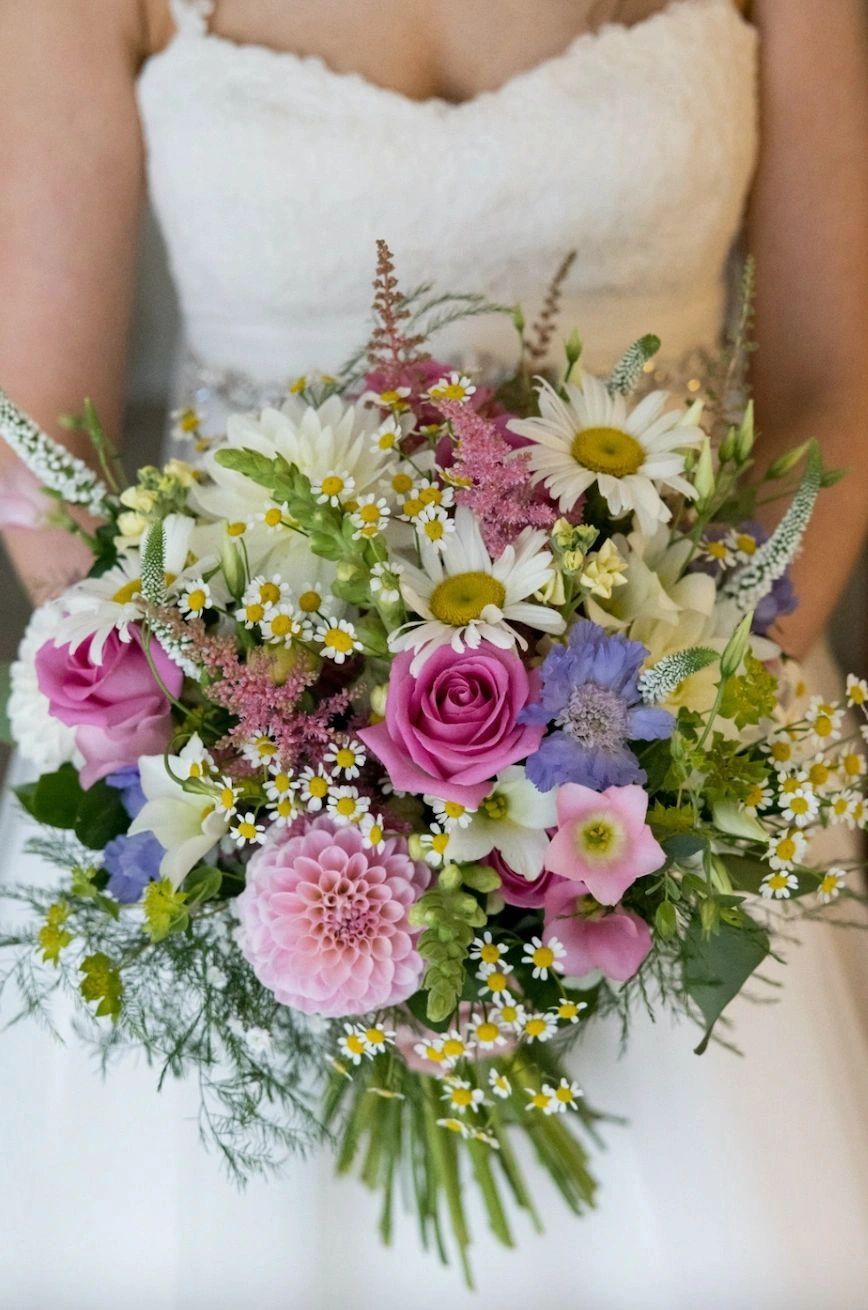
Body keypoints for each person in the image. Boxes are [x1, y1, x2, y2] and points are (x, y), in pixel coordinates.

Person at [0, 2, 866, 1307]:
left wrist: (663, 735)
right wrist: (271, 765)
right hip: (235, 776)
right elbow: (35, 450)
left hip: (686, 754)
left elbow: (828, 391)